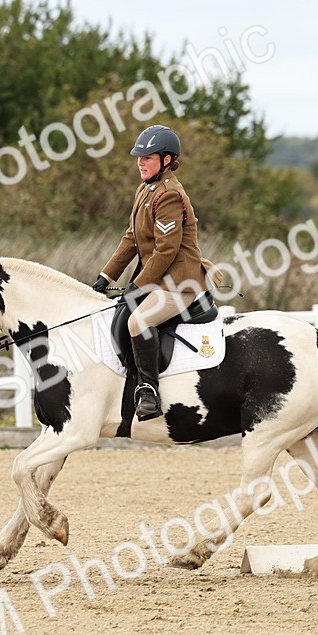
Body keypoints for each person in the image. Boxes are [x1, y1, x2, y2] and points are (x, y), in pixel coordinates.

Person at [91, 124, 213, 421]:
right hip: (158, 280)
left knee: (139, 322)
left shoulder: (170, 194)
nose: (140, 162)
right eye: (139, 157)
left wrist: (138, 284)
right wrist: (106, 277)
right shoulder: (145, 190)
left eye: (148, 157)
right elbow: (131, 238)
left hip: (179, 284)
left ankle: (149, 393)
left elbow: (166, 250)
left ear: (167, 160)